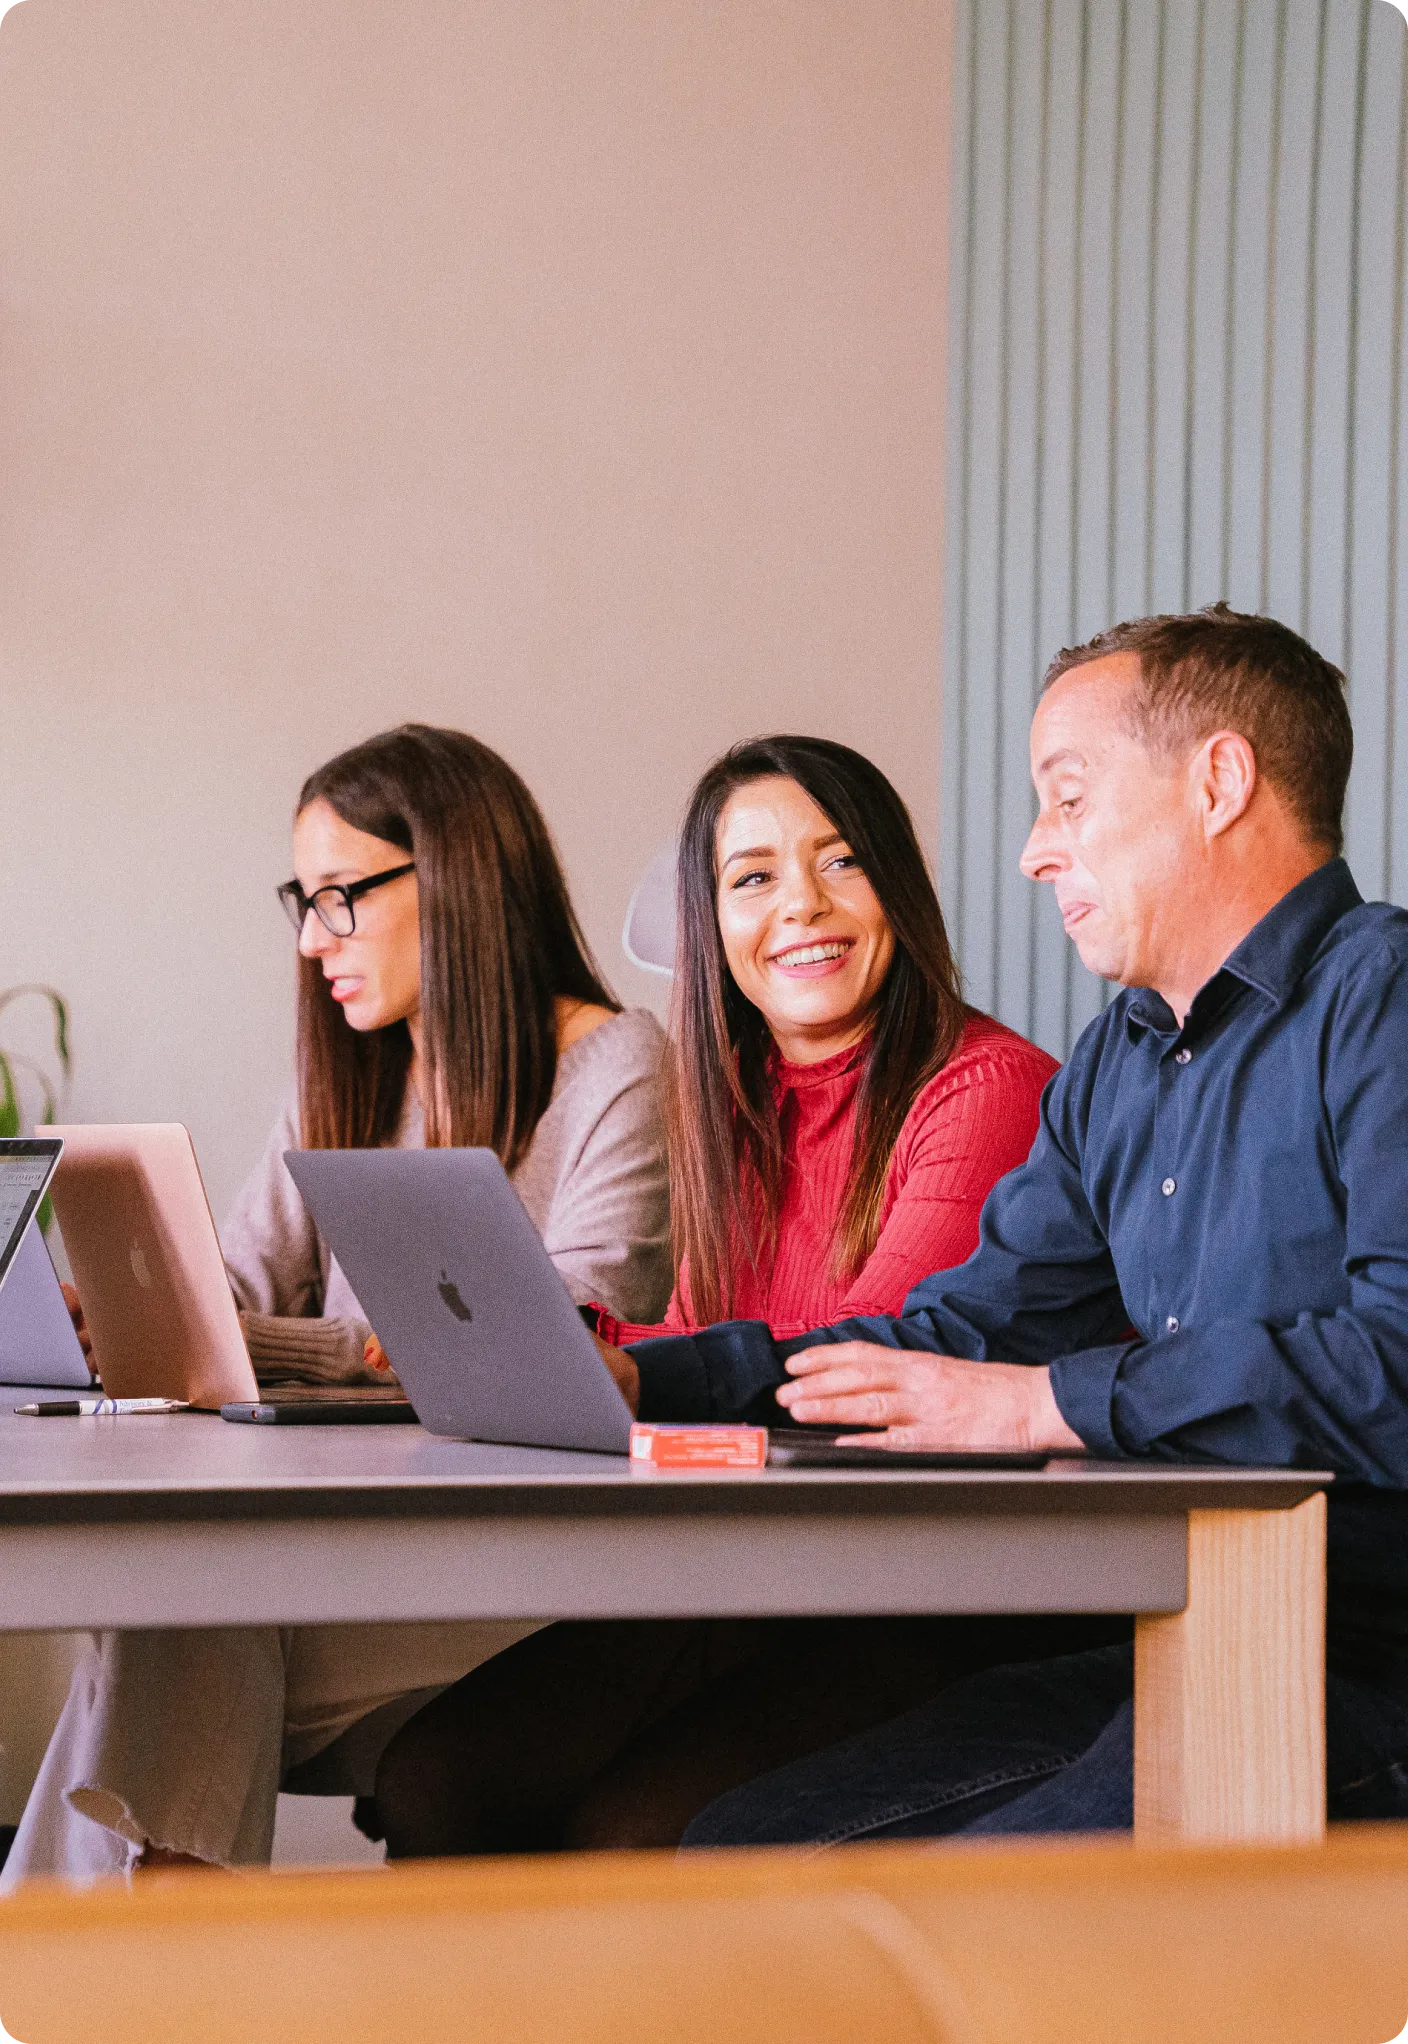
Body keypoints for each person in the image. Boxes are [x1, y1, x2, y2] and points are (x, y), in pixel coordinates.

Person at [629, 602, 1408, 1848]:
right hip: (1170, 1631)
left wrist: (1048, 1404)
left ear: (1217, 782)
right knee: (739, 1844)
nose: (1035, 851)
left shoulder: (1383, 998)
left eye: (1067, 797)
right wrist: (640, 1374)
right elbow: (959, 1333)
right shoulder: (1116, 1063)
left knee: (963, 1911)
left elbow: (1396, 1362)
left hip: (1353, 1660)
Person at [4, 724, 672, 1883]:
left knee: (186, 1612)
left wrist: (240, 1340)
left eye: (339, 897)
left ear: (454, 876)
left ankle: (72, 1977)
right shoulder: (355, 1073)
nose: (313, 940)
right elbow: (240, 1291)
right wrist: (116, 1318)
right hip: (350, 1571)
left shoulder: (617, 1065)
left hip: (530, 1576)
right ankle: (135, 1971)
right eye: (300, 903)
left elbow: (550, 1354)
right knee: (189, 1611)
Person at [372, 734, 1060, 1857]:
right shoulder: (736, 1107)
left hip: (935, 1590)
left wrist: (637, 1366)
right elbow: (696, 1341)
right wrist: (554, 1343)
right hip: (762, 1576)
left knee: (627, 1830)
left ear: (898, 886)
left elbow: (871, 1363)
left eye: (841, 863)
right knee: (433, 1783)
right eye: (752, 878)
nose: (802, 905)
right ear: (711, 924)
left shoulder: (989, 1088)